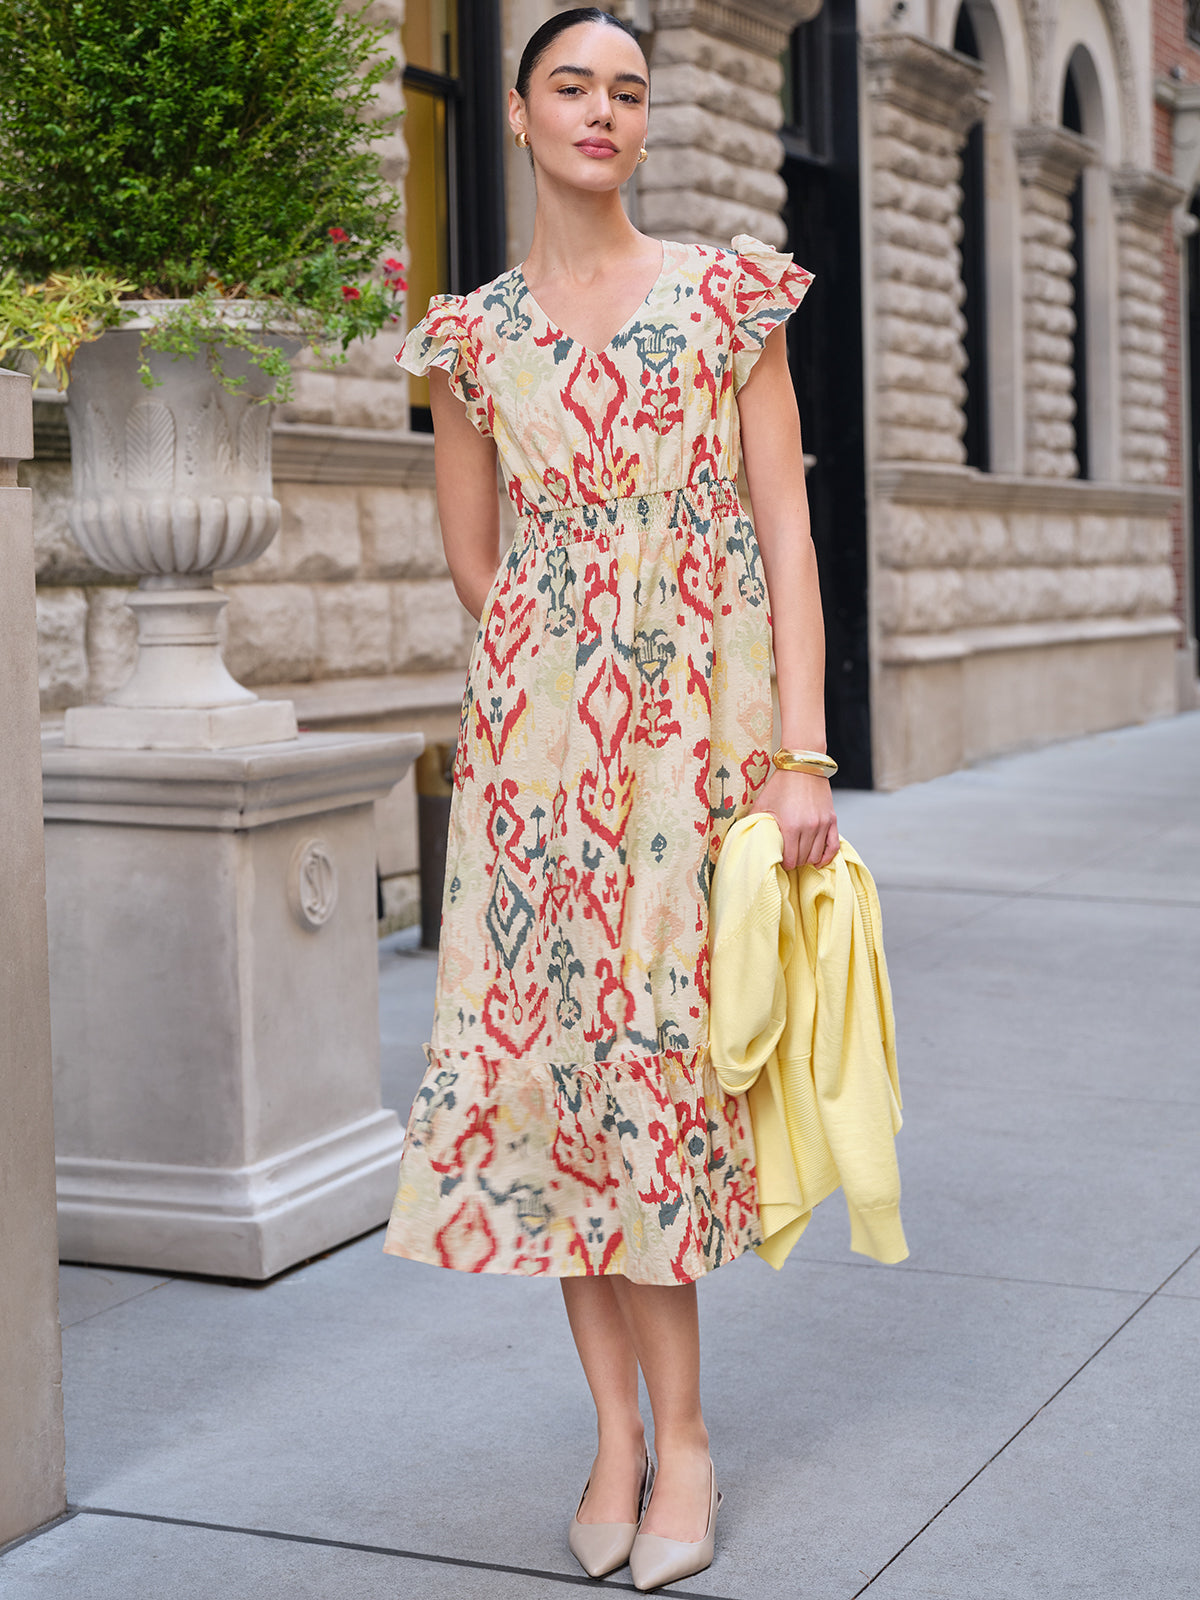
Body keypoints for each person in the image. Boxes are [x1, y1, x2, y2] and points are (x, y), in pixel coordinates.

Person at [384, 9, 838, 1590]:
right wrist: (552, 674)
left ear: (648, 125)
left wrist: (798, 753)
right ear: (515, 114)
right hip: (536, 765)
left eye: (628, 92)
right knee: (564, 1095)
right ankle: (613, 1434)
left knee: (657, 1084)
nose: (602, 110)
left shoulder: (726, 296)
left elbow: (784, 529)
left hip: (696, 756)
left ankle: (689, 1435)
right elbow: (473, 563)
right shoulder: (470, 337)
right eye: (571, 85)